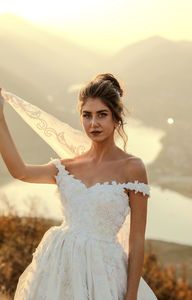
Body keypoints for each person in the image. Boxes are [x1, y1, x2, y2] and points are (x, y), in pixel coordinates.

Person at [0, 73, 158, 300]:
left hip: (103, 273)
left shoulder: (132, 168)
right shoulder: (66, 167)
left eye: (102, 115)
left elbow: (136, 239)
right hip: (58, 265)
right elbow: (21, 172)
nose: (93, 123)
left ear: (116, 118)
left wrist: (131, 294)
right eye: (87, 115)